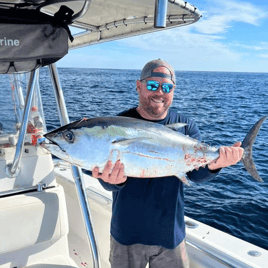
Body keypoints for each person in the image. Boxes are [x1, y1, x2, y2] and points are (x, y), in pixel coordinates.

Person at [91, 59, 244, 268]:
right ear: (138, 86)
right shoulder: (119, 124)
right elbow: (107, 180)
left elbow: (195, 175)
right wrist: (112, 182)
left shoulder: (186, 126)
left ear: (173, 90)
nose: (159, 93)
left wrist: (216, 164)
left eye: (167, 87)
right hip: (126, 234)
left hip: (170, 235)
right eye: (152, 85)